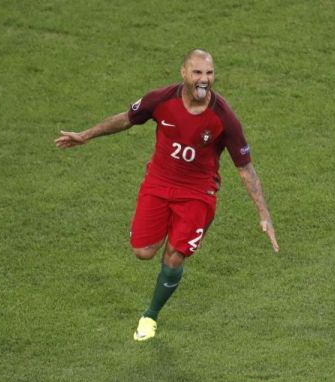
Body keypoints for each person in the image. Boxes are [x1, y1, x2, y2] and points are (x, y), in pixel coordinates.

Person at [55, 49, 279, 341]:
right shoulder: (160, 99)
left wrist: (264, 214)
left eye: (209, 73)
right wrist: (85, 135)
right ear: (184, 73)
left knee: (174, 257)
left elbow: (245, 168)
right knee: (143, 251)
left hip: (198, 192)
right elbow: (126, 118)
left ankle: (150, 315)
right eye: (198, 73)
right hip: (159, 183)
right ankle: (172, 234)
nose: (204, 79)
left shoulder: (224, 118)